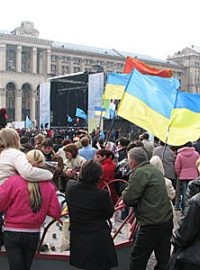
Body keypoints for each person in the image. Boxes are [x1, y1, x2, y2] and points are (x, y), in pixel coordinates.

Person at [0, 149, 61, 270]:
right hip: (33, 232)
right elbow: (56, 212)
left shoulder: (13, 182)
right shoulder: (49, 186)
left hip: (12, 230)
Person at [122, 147, 173, 270]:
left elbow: (128, 199)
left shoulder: (140, 172)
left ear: (133, 162)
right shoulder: (155, 171)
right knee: (163, 257)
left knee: (138, 257)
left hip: (151, 222)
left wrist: (125, 192)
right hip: (166, 219)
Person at [65, 160, 118, 270]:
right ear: (98, 176)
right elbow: (109, 213)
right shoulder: (102, 195)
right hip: (98, 239)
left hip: (79, 237)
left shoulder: (70, 187)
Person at [175, 141, 199, 213]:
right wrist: (197, 173)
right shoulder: (196, 154)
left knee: (185, 194)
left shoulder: (179, 155)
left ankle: (186, 210)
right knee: (194, 193)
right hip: (194, 175)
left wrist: (179, 174)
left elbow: (177, 167)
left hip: (183, 176)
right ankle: (194, 209)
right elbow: (198, 165)